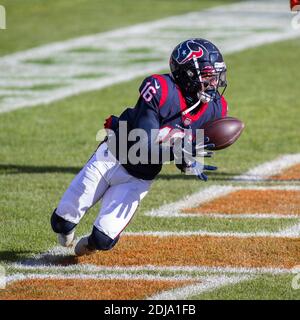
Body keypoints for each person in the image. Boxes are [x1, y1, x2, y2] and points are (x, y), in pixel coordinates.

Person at [50, 38, 228, 256]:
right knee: (61, 223)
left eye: (216, 76)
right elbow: (143, 146)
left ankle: (90, 242)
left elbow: (185, 147)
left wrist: (188, 161)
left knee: (103, 240)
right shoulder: (161, 90)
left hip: (139, 177)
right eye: (208, 76)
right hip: (112, 158)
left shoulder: (214, 109)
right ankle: (66, 227)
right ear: (187, 74)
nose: (214, 83)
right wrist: (178, 150)